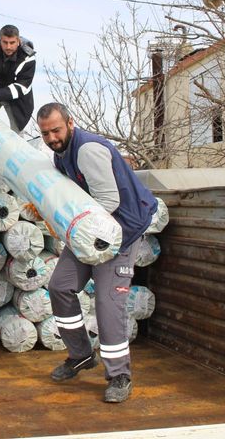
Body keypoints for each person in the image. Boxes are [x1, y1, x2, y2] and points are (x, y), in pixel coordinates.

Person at [36, 102, 158, 404]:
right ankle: (80, 355)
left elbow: (108, 200)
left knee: (107, 301)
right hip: (91, 232)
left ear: (70, 123)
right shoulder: (61, 154)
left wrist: (69, 225)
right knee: (60, 287)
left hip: (120, 231)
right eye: (45, 133)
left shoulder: (87, 150)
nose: (52, 137)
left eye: (56, 130)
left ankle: (119, 375)